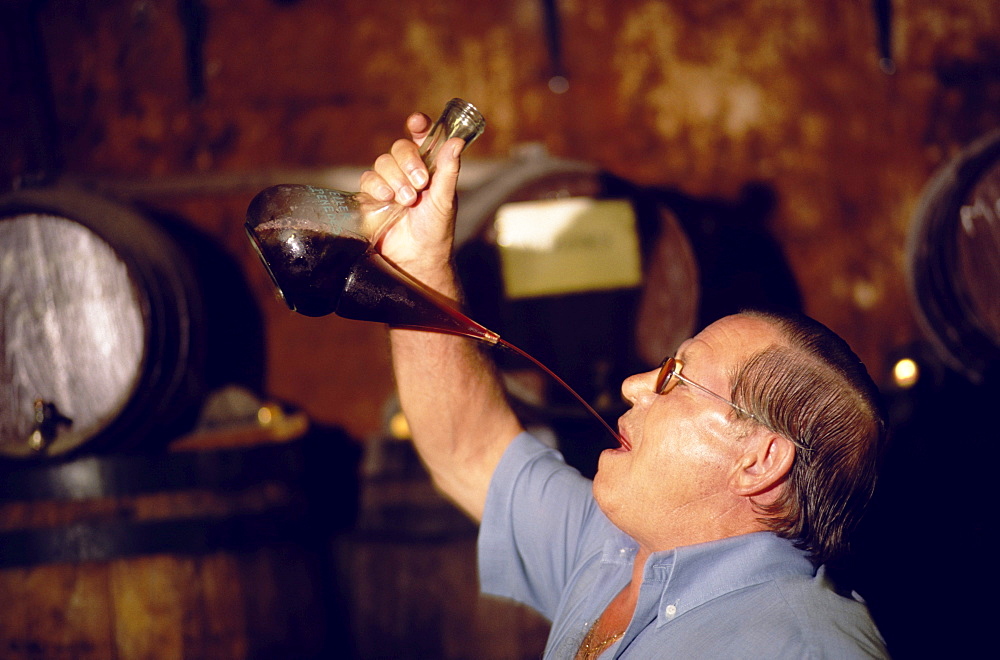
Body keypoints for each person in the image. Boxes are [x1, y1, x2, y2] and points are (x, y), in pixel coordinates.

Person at [360, 109, 890, 658]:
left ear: (759, 461)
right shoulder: (614, 546)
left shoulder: (800, 648)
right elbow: (466, 449)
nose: (636, 385)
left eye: (676, 377)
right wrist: (419, 264)